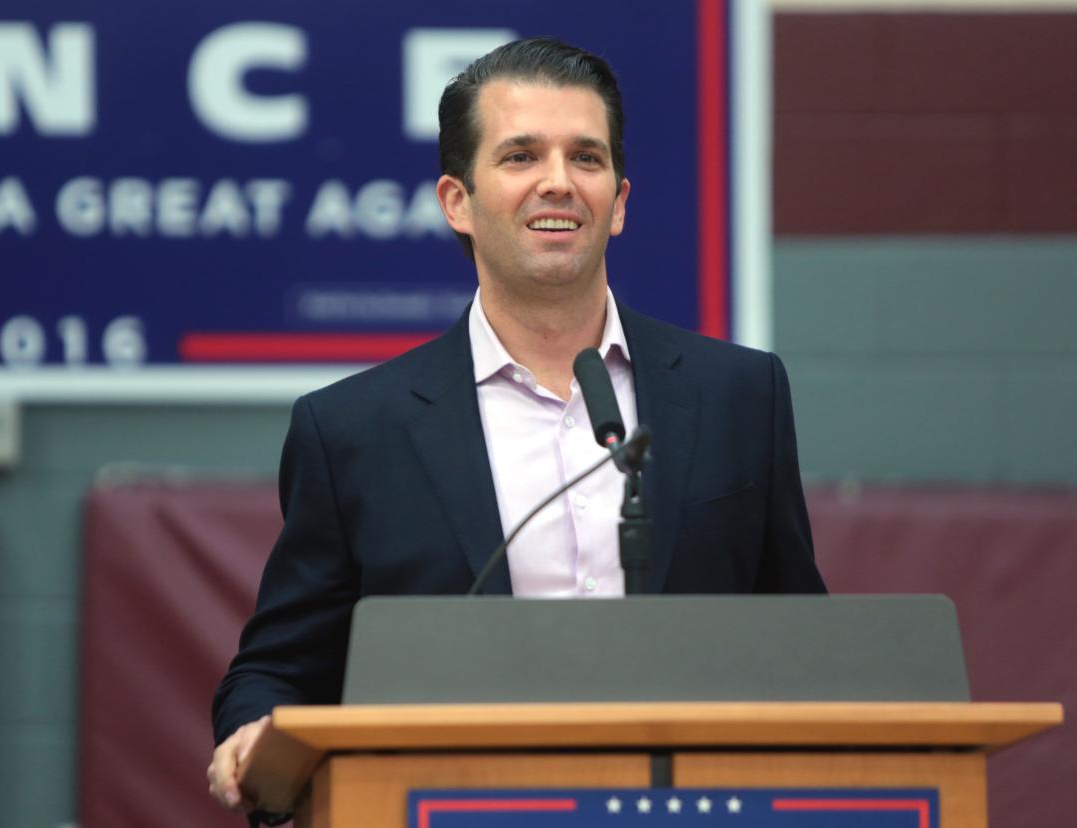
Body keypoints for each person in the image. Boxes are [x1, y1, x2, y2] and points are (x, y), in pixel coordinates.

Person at [207, 36, 826, 818]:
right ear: (456, 202)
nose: (559, 183)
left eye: (587, 158)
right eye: (521, 156)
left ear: (622, 201)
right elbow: (277, 670)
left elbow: (805, 647)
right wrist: (254, 733)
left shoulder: (741, 395)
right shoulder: (353, 431)